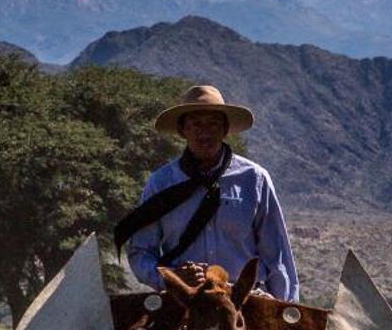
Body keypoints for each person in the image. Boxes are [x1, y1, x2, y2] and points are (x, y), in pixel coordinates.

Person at [115, 85, 299, 300]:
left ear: (225, 129)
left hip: (245, 300)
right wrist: (172, 277)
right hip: (184, 299)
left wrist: (286, 309)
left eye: (213, 124)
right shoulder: (161, 182)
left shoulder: (254, 179)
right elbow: (141, 252)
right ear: (183, 130)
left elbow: (276, 255)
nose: (205, 132)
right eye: (196, 124)